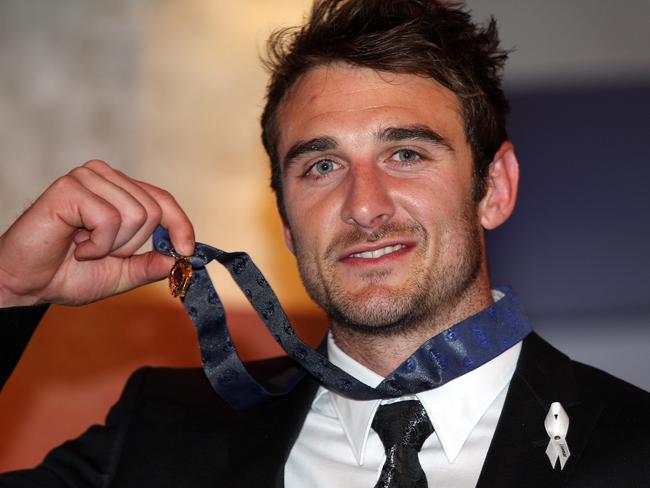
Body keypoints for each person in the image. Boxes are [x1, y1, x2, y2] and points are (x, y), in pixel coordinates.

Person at [1, 0, 648, 487]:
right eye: (320, 166)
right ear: (285, 221)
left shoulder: (633, 445)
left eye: (406, 153)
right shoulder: (162, 431)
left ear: (495, 187)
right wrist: (7, 287)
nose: (364, 205)